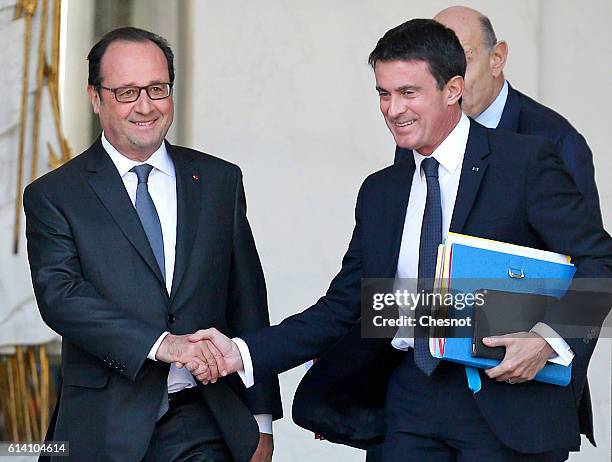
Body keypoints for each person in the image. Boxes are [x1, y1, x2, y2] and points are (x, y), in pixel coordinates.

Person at [189, 19, 612, 462]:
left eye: (408, 93)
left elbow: (600, 265)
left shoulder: (525, 162)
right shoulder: (382, 191)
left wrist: (547, 338)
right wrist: (241, 352)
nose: (393, 109)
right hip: (410, 400)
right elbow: (344, 305)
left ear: (453, 89)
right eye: (383, 94)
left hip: (506, 404)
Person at [24, 27, 281, 462]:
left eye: (157, 89)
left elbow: (248, 301)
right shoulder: (55, 194)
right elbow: (61, 298)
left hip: (205, 419)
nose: (146, 106)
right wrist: (165, 344)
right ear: (95, 97)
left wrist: (260, 421)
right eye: (126, 92)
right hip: (102, 425)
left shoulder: (219, 181)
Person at [395, 6, 602, 225]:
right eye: (435, 68)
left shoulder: (554, 140)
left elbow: (588, 254)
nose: (448, 82)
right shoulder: (419, 130)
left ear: (496, 58)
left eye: (462, 61)